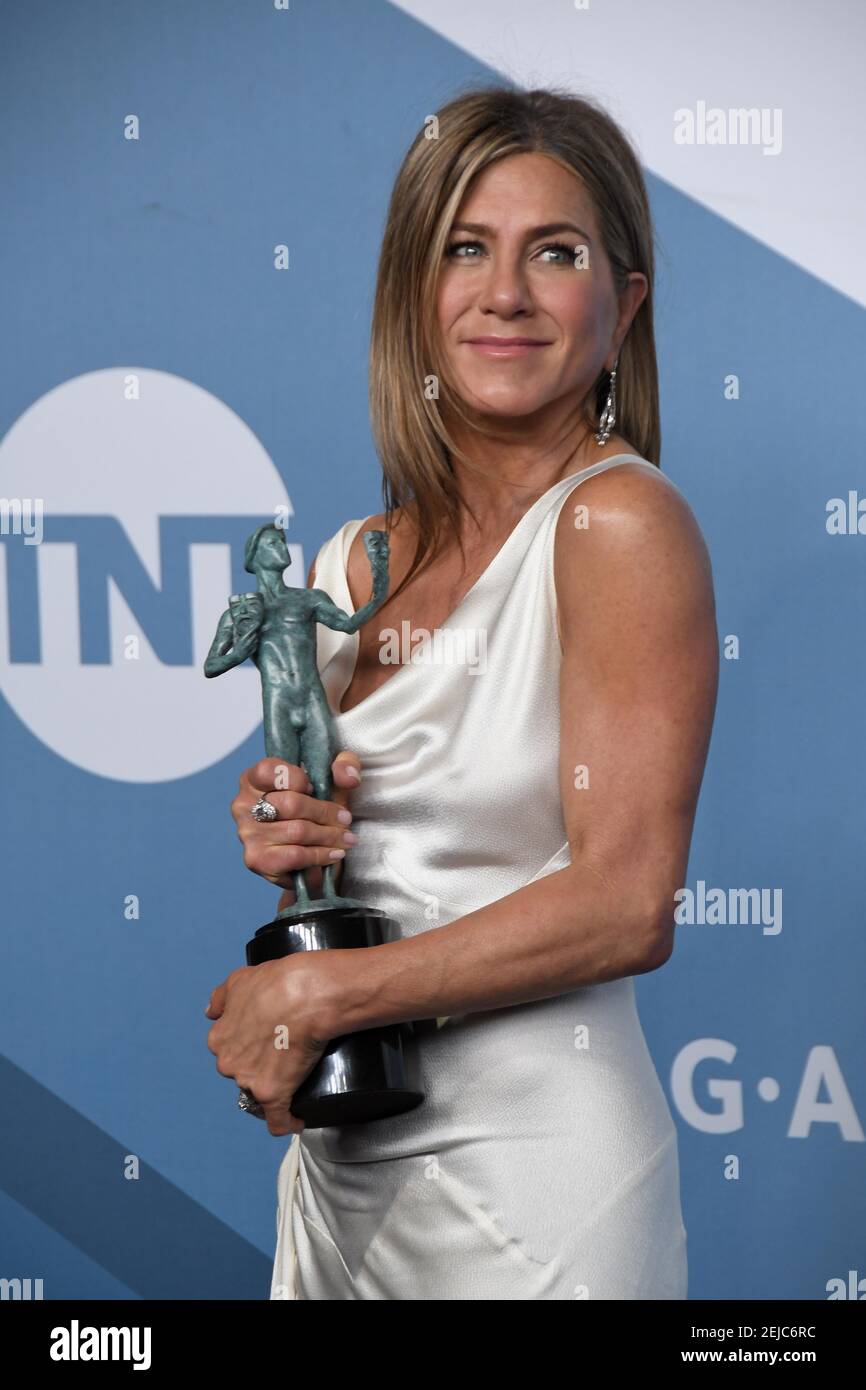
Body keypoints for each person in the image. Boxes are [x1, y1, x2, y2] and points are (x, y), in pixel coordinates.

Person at [205, 84, 718, 1300]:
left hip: (542, 1187)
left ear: (622, 303)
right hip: (346, 1173)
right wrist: (287, 830)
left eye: (556, 252)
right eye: (465, 250)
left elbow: (623, 904)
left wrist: (325, 992)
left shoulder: (619, 523)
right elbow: (376, 858)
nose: (504, 294)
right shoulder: (345, 564)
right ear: (411, 295)